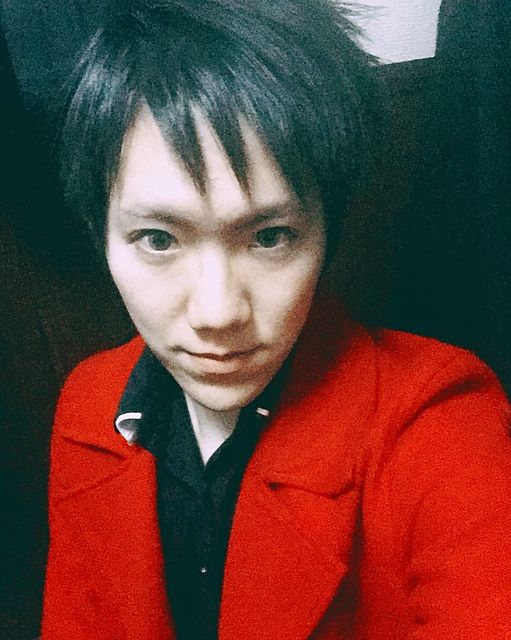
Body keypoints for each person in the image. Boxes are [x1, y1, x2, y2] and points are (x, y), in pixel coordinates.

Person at [42, 1, 511, 638]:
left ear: (328, 234)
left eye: (269, 237)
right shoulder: (91, 404)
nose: (217, 313)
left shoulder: (440, 423)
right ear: (100, 235)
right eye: (158, 239)